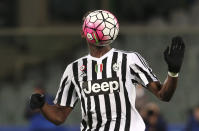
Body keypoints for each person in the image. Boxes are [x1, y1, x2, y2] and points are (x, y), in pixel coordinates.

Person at [29, 10, 185, 131]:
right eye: (91, 24)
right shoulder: (74, 69)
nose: (98, 27)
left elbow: (163, 95)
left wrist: (173, 72)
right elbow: (59, 116)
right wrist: (43, 105)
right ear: (84, 32)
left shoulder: (130, 60)